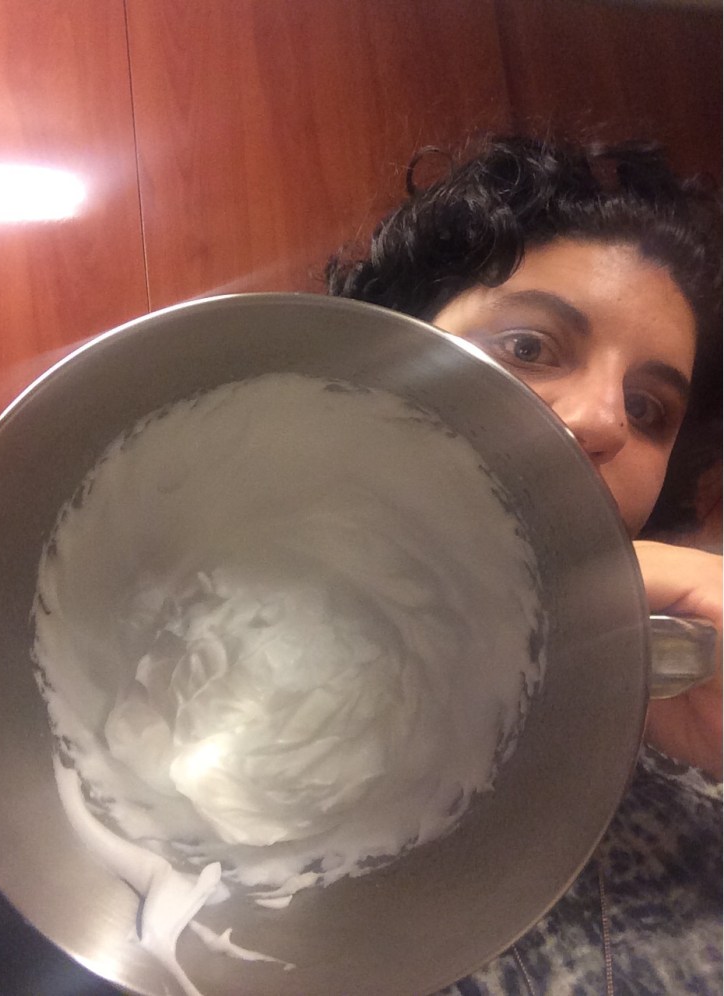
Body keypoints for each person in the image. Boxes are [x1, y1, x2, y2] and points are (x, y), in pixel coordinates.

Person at [326, 135, 722, 994]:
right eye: (531, 347)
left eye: (648, 407)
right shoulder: (109, 703)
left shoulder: (696, 772)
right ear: (374, 364)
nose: (605, 421)